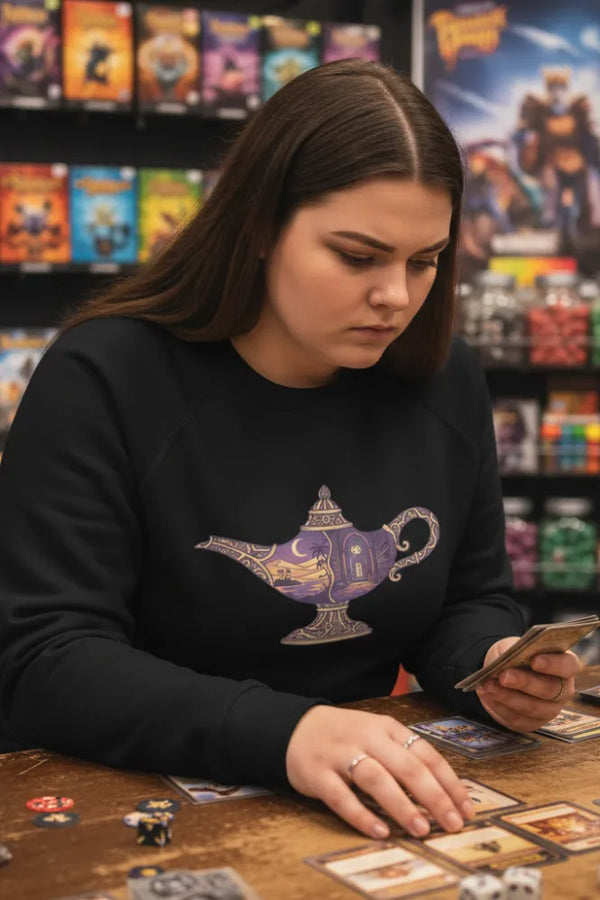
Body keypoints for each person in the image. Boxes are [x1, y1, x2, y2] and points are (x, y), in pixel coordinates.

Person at [0, 60, 580, 843]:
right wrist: (290, 734)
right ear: (260, 226)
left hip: (365, 800)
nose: (398, 298)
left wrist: (493, 665)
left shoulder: (443, 378)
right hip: (129, 806)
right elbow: (45, 661)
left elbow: (464, 602)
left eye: (425, 260)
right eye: (357, 256)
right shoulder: (104, 377)